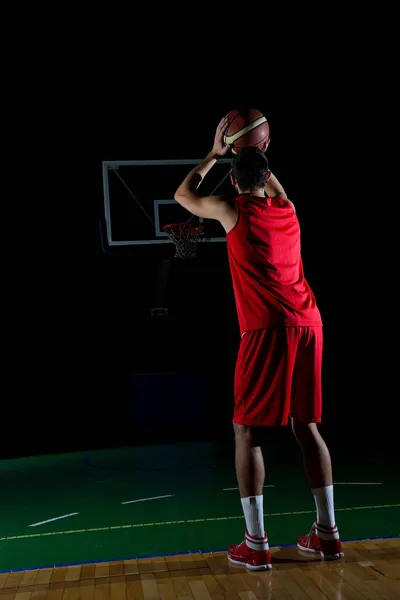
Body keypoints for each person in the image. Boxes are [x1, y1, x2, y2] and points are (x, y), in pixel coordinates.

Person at [174, 116, 343, 571]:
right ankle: (328, 537)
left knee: (246, 431)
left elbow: (183, 196)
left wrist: (215, 151)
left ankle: (256, 543)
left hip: (266, 329)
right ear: (268, 178)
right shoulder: (287, 208)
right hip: (310, 324)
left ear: (234, 179)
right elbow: (271, 184)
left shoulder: (233, 211)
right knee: (306, 426)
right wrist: (258, 155)